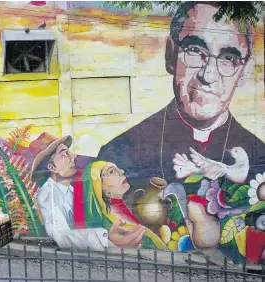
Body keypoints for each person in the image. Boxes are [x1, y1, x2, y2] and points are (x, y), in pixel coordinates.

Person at [97, 2, 265, 197]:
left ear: (245, 72)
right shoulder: (118, 155)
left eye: (228, 58)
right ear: (170, 54)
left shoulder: (259, 156)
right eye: (195, 50)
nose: (208, 75)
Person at [73, 161, 167, 250]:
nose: (122, 171)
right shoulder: (112, 225)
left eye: (118, 169)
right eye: (112, 171)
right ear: (100, 187)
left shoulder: (119, 212)